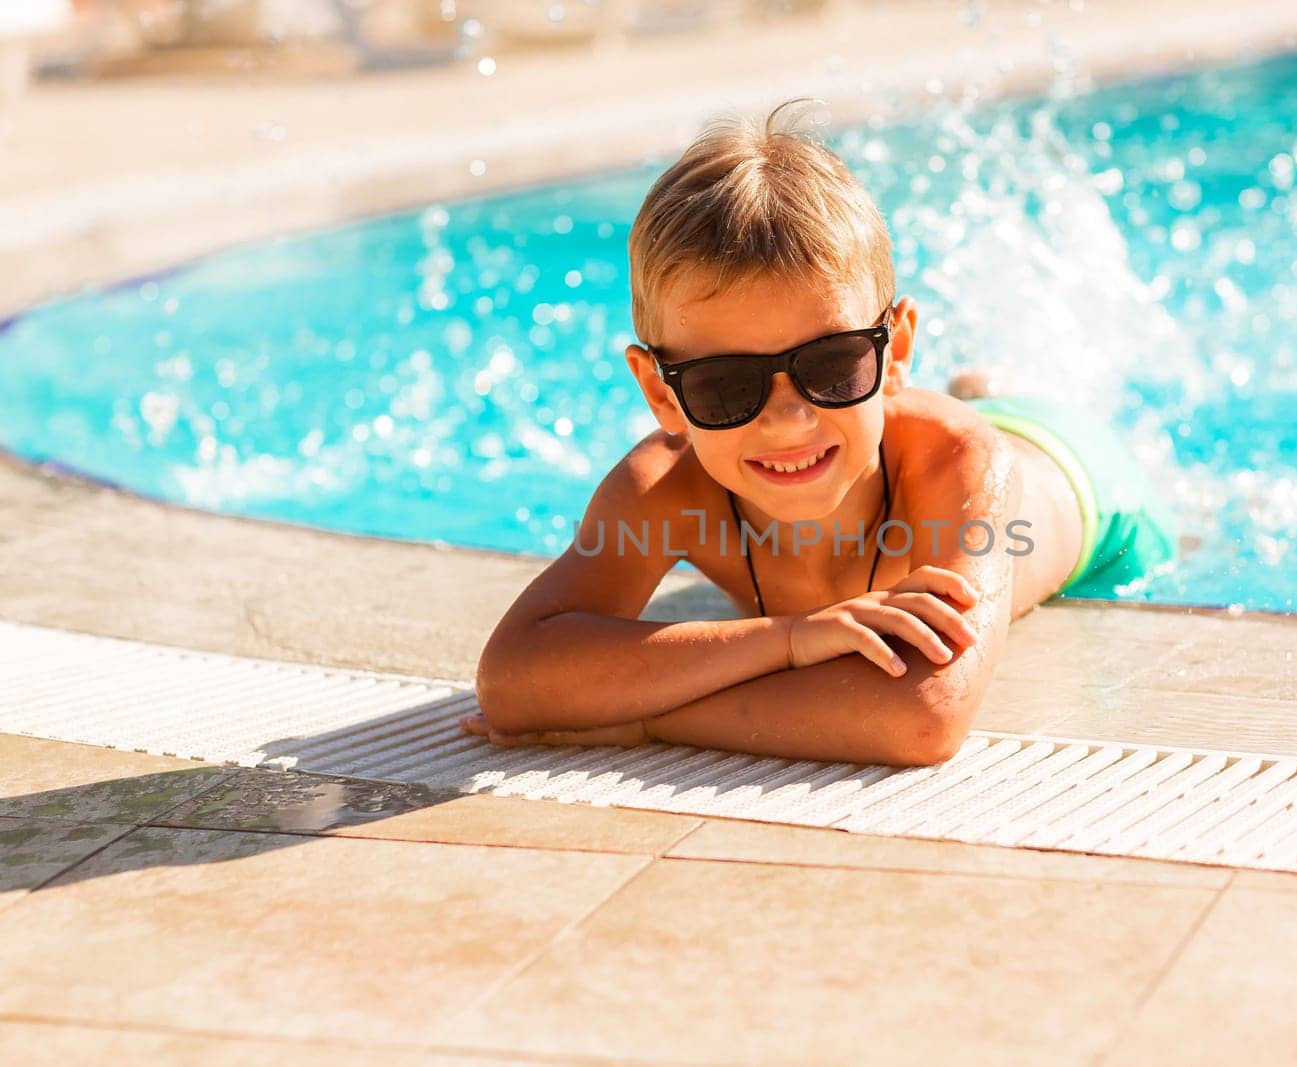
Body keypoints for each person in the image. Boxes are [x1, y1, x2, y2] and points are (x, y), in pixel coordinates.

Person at [461, 97, 1176, 767]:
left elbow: (925, 712)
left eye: (833, 366)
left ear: (893, 353)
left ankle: (990, 393)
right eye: (726, 385)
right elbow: (514, 679)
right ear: (660, 392)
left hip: (1083, 481)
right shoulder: (665, 488)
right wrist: (792, 639)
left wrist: (643, 722)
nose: (787, 418)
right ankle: (964, 384)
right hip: (886, 427)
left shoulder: (960, 465)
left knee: (992, 425)